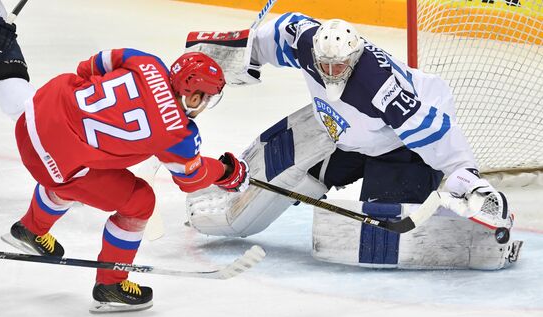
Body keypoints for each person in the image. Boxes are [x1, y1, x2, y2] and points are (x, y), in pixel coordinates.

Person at [186, 13, 519, 270]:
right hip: (342, 133)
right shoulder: (306, 41)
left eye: (339, 65)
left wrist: (466, 174)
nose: (331, 72)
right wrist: (240, 51)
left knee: (382, 229)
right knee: (293, 173)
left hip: (401, 148)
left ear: (355, 55)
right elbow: (275, 34)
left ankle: (483, 239)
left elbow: (434, 132)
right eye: (324, 65)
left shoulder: (380, 88)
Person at [0, 7, 249, 313]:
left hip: (35, 114)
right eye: (205, 98)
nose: (205, 105)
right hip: (54, 162)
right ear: (193, 96)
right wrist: (226, 172)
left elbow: (90, 65)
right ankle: (111, 284)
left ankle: (31, 229)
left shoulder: (146, 61)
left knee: (92, 165)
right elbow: (190, 180)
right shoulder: (177, 134)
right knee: (138, 200)